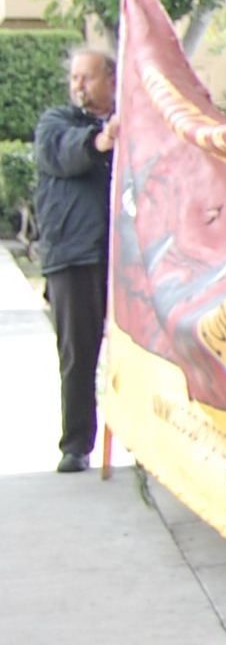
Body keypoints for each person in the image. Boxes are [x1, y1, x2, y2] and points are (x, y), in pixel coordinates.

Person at [31, 50, 118, 473]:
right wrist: (102, 140)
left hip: (125, 258)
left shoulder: (132, 127)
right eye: (75, 78)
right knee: (78, 355)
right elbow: (66, 153)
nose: (79, 85)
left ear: (111, 81)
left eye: (88, 77)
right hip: (73, 256)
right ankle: (76, 444)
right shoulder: (56, 123)